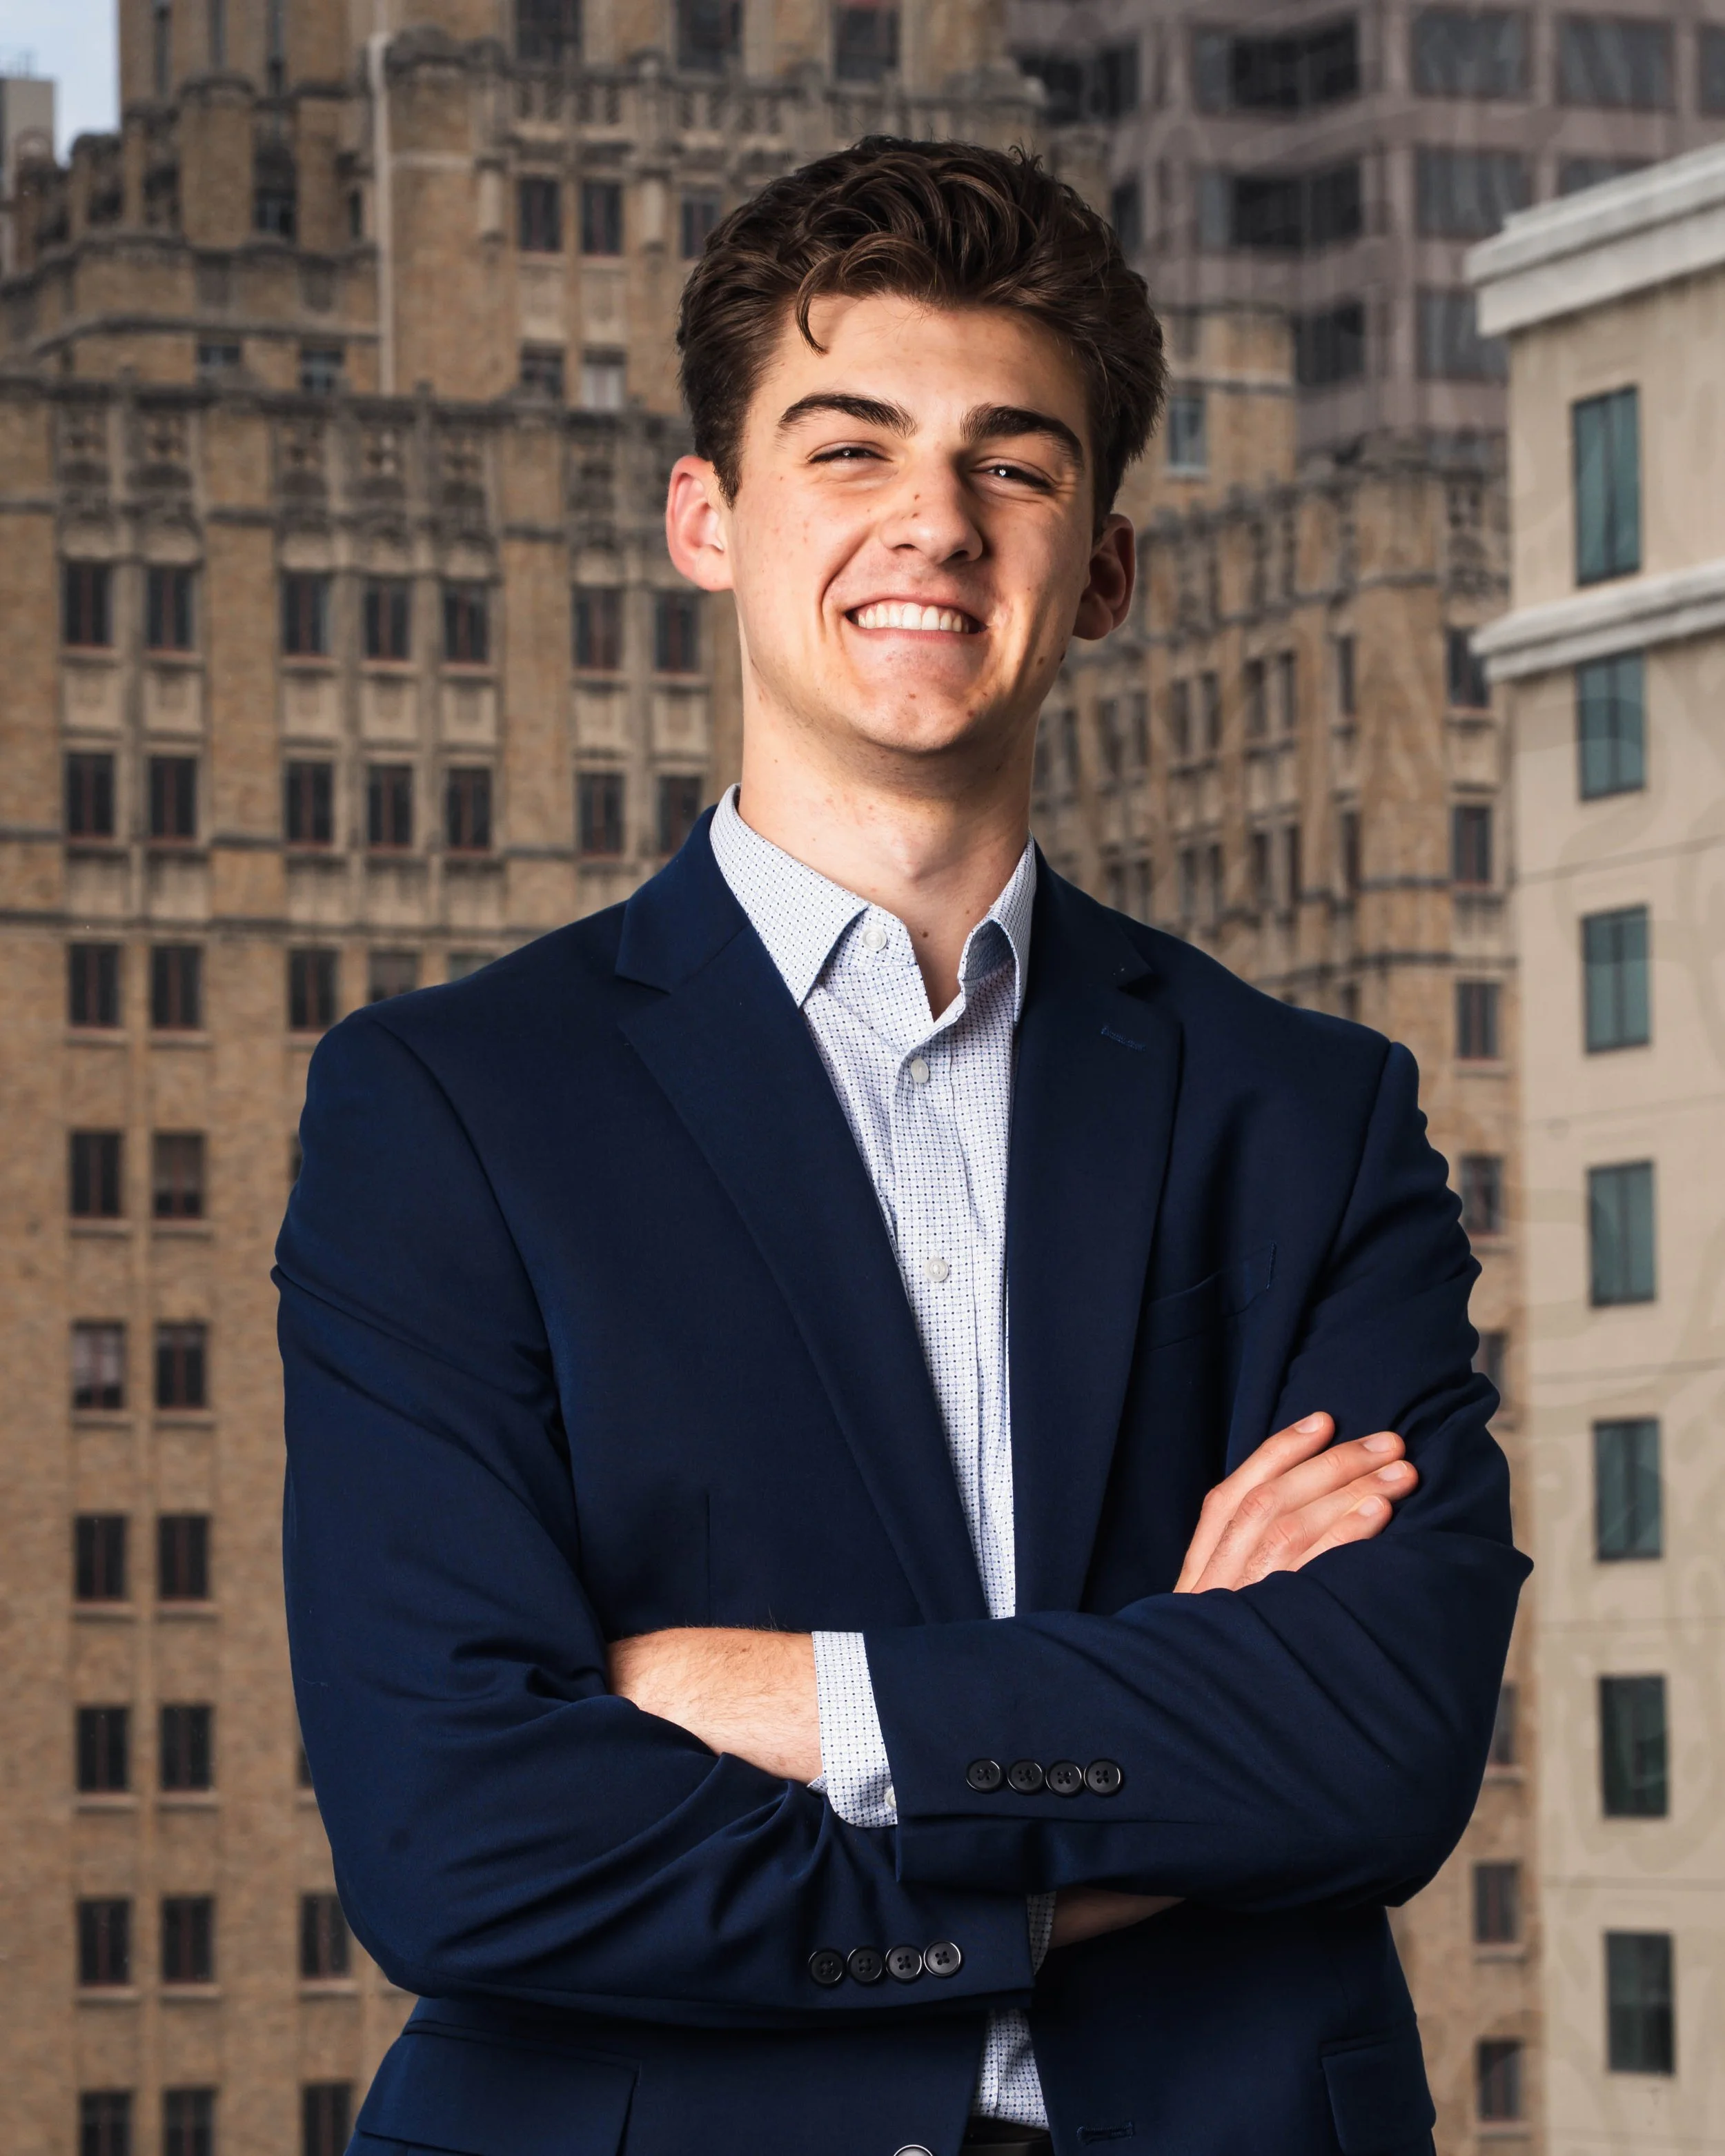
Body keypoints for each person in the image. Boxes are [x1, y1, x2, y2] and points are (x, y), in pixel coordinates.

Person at [277, 139, 1528, 2156]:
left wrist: (790, 1703)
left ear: (1101, 564)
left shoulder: (1307, 1110)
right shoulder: (446, 1107)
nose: (930, 524)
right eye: (847, 449)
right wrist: (1104, 1798)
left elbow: (1376, 1745)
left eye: (1012, 464)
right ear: (707, 517)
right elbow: (461, 1837)